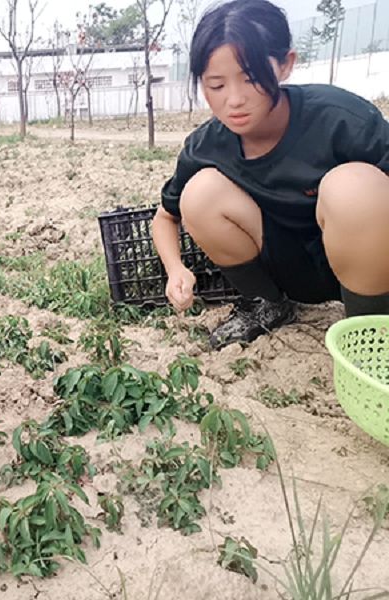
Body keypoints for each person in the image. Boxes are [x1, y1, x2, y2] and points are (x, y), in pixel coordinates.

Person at [153, 0, 389, 350]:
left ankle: (369, 332)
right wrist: (176, 269)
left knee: (353, 188)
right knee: (199, 194)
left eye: (249, 79)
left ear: (285, 65)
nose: (234, 100)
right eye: (216, 86)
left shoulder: (340, 118)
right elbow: (165, 217)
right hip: (287, 266)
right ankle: (268, 305)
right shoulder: (205, 146)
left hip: (365, 265)